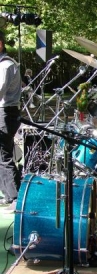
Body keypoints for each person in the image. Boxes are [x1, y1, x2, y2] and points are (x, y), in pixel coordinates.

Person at [0, 30, 22, 206]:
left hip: (5, 112)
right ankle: (9, 194)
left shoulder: (5, 65)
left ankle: (15, 197)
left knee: (3, 154)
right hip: (7, 112)